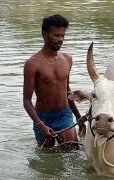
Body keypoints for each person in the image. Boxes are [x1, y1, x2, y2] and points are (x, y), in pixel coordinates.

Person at [23, 14, 86, 151]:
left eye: (63, 36)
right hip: (42, 118)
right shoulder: (32, 64)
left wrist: (79, 117)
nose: (61, 39)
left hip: (64, 114)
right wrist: (40, 124)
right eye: (56, 35)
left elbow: (67, 91)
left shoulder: (67, 59)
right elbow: (26, 101)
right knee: (47, 159)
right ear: (44, 34)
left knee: (72, 152)